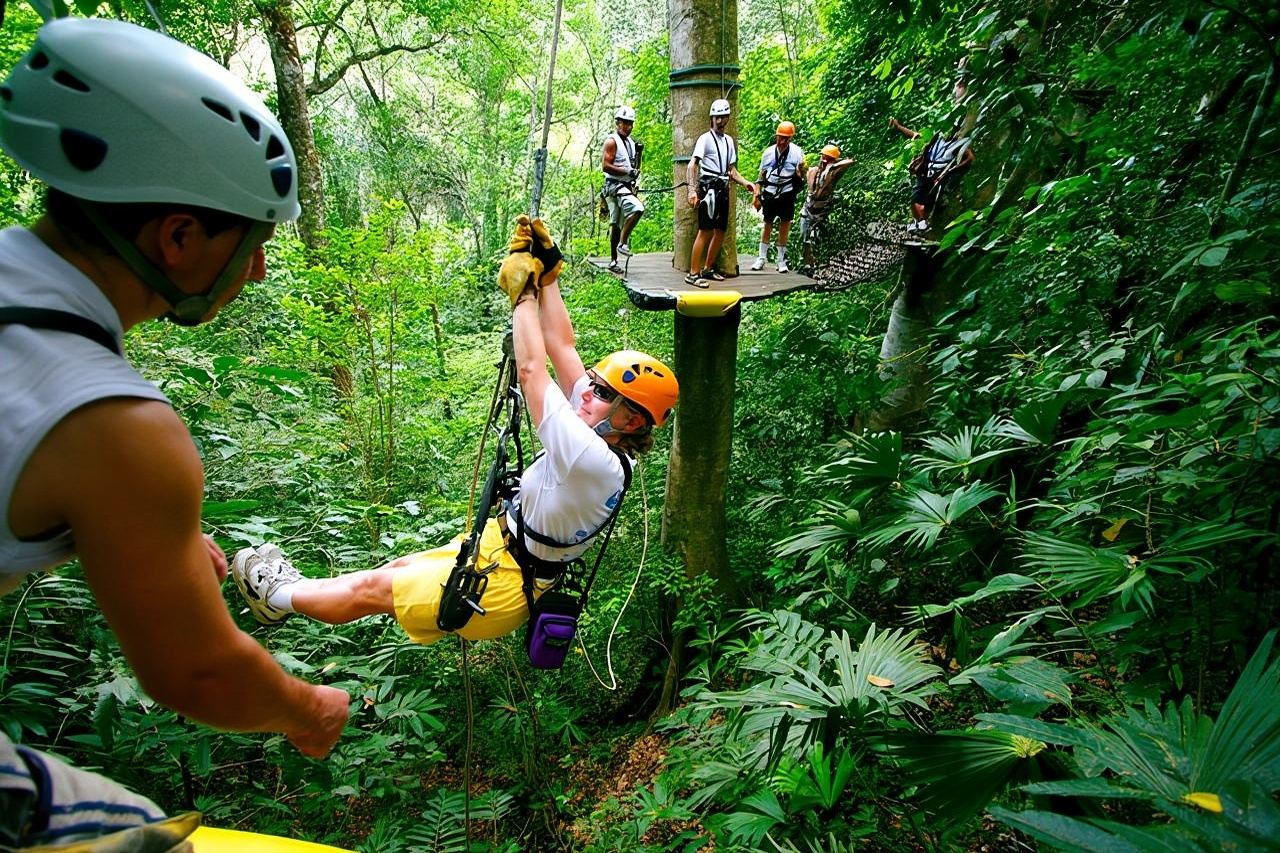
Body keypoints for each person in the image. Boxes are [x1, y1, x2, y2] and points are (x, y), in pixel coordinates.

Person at [0, 16, 350, 848]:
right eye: (255, 240)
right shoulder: (118, 424)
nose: (259, 269)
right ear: (180, 237)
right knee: (152, 839)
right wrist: (308, 705)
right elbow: (197, 672)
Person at [231, 217, 678, 650]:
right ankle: (296, 590)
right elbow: (561, 345)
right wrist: (550, 273)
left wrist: (523, 295)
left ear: (631, 421)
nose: (585, 392)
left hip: (503, 585)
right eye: (594, 383)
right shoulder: (599, 429)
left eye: (601, 392)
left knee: (373, 590)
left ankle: (277, 598)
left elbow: (531, 371)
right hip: (500, 548)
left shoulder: (592, 459)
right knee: (396, 569)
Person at [684, 99, 756, 288]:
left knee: (720, 231)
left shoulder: (729, 141)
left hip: (723, 187)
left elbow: (731, 170)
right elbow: (693, 164)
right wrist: (692, 190)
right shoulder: (705, 139)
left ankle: (708, 268)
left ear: (728, 118)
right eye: (717, 117)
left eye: (724, 117)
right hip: (708, 188)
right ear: (711, 118)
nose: (720, 121)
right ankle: (693, 273)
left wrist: (745, 182)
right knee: (705, 230)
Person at [889, 116, 974, 237]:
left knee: (930, 202)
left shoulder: (959, 144)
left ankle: (928, 230)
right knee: (917, 201)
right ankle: (921, 227)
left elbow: (969, 158)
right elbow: (917, 137)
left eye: (956, 129)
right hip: (925, 174)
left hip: (940, 178)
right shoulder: (938, 138)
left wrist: (952, 170)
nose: (952, 131)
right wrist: (898, 127)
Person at [749, 121, 806, 274]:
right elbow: (761, 175)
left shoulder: (797, 152)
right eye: (780, 137)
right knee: (767, 223)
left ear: (791, 139)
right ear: (776, 137)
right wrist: (757, 195)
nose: (783, 141)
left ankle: (781, 260)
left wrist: (801, 174)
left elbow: (802, 172)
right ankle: (761, 257)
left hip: (787, 191)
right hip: (770, 190)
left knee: (785, 224)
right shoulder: (768, 153)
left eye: (786, 138)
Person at [601, 105, 645, 274]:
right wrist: (627, 172)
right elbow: (606, 166)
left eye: (630, 124)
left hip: (625, 186)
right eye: (624, 123)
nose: (627, 127)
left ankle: (614, 259)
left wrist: (632, 178)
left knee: (617, 223)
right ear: (617, 123)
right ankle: (622, 244)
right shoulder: (612, 141)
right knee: (637, 209)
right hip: (613, 186)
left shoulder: (630, 143)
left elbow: (632, 167)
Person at [798, 144, 855, 267]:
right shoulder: (814, 171)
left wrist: (833, 163)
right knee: (804, 236)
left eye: (828, 158)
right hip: (809, 207)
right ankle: (807, 263)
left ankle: (822, 261)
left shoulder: (833, 172)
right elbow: (803, 172)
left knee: (819, 237)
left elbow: (850, 162)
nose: (824, 160)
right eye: (824, 156)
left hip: (822, 209)